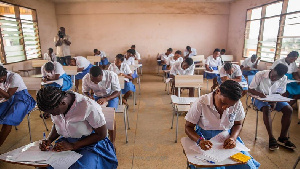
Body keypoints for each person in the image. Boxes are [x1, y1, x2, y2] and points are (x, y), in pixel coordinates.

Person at [37, 86, 118, 169]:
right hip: (67, 143)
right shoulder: (56, 105)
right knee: (44, 166)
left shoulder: (87, 106)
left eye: (54, 113)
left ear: (63, 103)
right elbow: (58, 123)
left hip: (91, 144)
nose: (53, 115)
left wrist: (73, 145)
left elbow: (101, 134)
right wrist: (49, 140)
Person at [185, 80, 260, 169]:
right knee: (213, 166)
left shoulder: (237, 103)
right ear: (218, 91)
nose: (225, 107)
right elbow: (188, 127)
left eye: (230, 105)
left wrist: (233, 138)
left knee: (246, 165)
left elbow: (238, 124)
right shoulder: (201, 102)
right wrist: (199, 140)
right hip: (205, 139)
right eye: (223, 102)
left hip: (227, 138)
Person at [249, 63, 296, 150]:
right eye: (273, 76)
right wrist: (259, 93)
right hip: (259, 98)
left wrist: (274, 101)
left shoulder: (284, 78)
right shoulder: (260, 74)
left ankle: (282, 137)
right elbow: (251, 89)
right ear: (272, 70)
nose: (274, 78)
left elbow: (280, 92)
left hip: (274, 98)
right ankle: (271, 138)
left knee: (289, 109)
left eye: (277, 78)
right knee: (267, 109)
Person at [82, 66, 121, 146]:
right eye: (93, 81)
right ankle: (98, 138)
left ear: (101, 75)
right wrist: (89, 97)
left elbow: (118, 91)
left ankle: (112, 142)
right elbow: (85, 91)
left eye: (97, 81)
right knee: (93, 116)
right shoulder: (86, 78)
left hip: (111, 96)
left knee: (110, 117)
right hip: (97, 97)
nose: (95, 83)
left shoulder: (111, 75)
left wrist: (106, 99)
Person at [0, 66, 36, 147]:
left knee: (8, 120)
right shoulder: (3, 78)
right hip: (11, 99)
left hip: (23, 99)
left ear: (2, 77)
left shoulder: (15, 77)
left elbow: (8, 95)